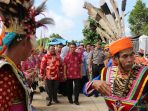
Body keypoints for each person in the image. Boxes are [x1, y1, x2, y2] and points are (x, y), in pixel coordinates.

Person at [0, 0, 54, 111]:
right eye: (33, 44)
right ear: (24, 42)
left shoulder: (14, 67)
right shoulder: (5, 74)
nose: (33, 49)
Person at [83, 37, 148, 111]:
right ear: (115, 59)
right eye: (125, 56)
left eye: (131, 55)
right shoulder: (107, 73)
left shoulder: (144, 74)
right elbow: (85, 91)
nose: (130, 60)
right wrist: (93, 83)